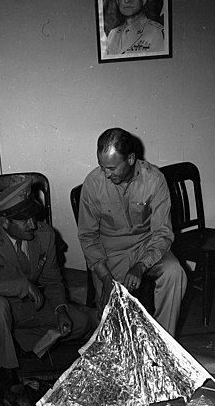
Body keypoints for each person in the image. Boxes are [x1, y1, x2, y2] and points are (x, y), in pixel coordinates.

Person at [0, 177, 94, 387]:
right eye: (25, 220)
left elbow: (52, 279)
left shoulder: (45, 235)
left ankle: (18, 342)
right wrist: (21, 284)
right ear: (5, 221)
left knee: (80, 323)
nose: (33, 224)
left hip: (28, 307)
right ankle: (7, 369)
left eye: (33, 216)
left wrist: (60, 309)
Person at [78, 128, 187, 337]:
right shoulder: (93, 184)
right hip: (110, 252)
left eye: (111, 168)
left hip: (147, 244)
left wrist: (141, 264)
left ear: (130, 158)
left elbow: (162, 233)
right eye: (102, 167)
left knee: (174, 273)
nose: (106, 174)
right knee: (109, 321)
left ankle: (164, 343)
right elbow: (88, 238)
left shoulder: (154, 179)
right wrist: (105, 277)